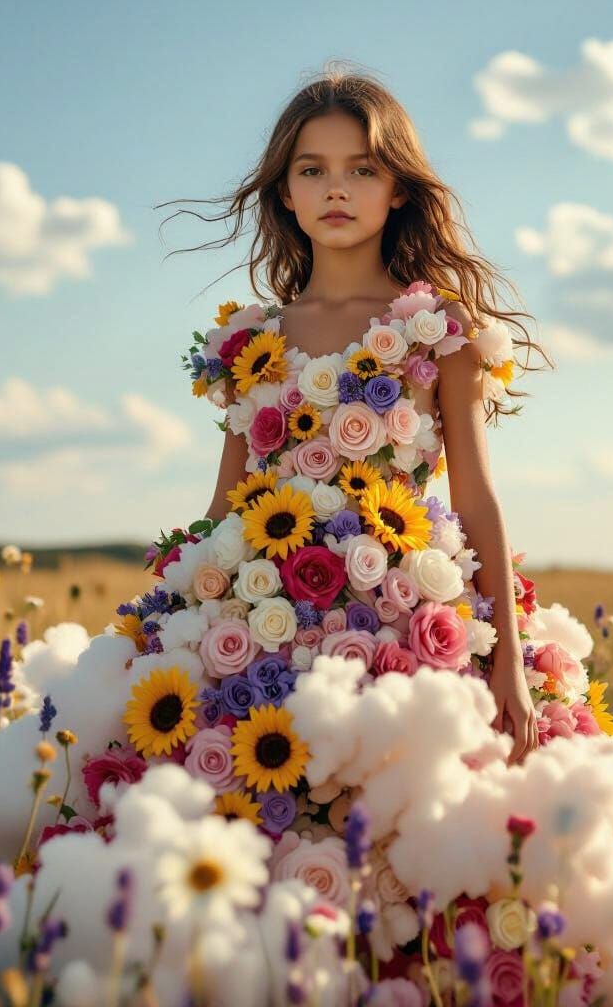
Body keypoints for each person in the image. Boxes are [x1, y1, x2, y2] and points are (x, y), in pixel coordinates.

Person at [152, 66, 555, 767]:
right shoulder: (251, 340)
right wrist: (169, 619)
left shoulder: (438, 328)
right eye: (312, 169)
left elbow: (476, 498)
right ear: (285, 190)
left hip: (407, 622)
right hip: (258, 627)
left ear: (398, 187)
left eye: (362, 169)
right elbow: (223, 503)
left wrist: (510, 660)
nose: (335, 188)